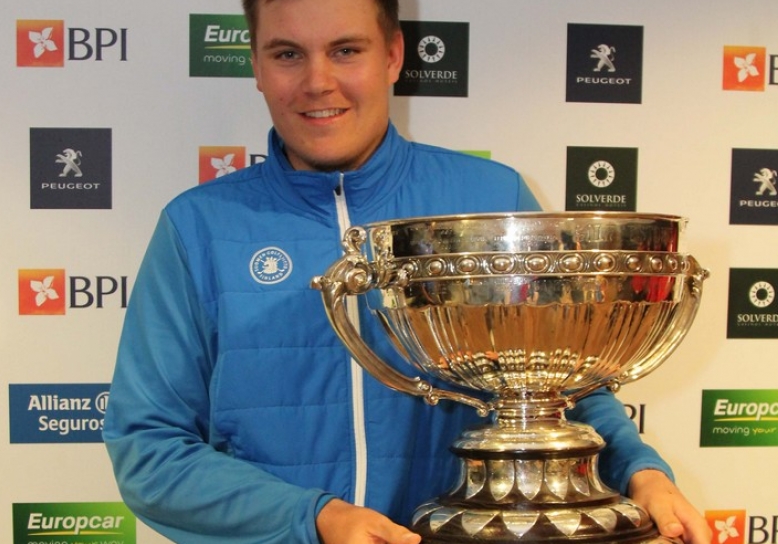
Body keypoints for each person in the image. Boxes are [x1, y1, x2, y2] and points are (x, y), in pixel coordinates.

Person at [102, 1, 712, 543]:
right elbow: (148, 449)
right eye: (288, 53)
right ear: (257, 67)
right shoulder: (198, 227)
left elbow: (555, 390)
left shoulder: (491, 200)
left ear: (393, 54)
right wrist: (314, 519)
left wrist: (642, 472)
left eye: (346, 50)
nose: (318, 82)